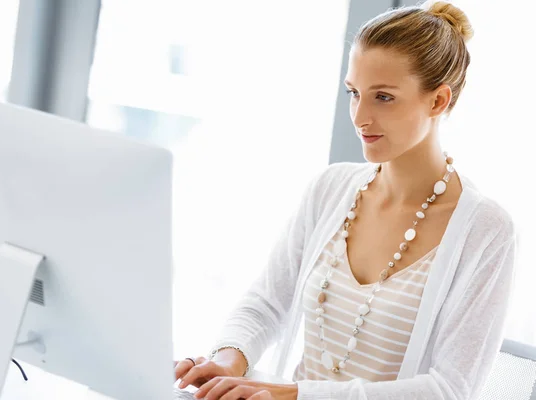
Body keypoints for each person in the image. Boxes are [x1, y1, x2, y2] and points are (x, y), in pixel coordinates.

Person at [174, 1, 516, 399]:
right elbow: (267, 302)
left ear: (438, 101)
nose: (359, 116)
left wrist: (294, 394)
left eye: (383, 97)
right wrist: (230, 360)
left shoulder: (485, 230)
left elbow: (450, 389)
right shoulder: (331, 188)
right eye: (354, 93)